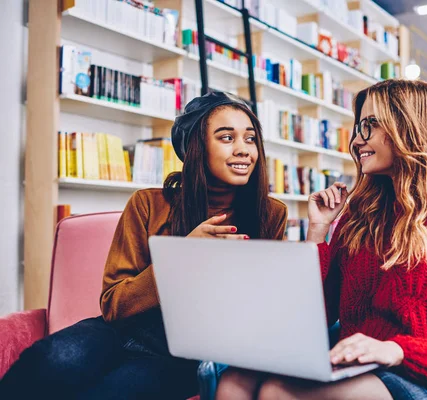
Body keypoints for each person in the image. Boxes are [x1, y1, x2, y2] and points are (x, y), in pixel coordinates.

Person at [216, 79, 427, 400]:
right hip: (358, 366)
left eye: (370, 125)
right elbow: (313, 317)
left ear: (408, 127)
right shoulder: (358, 215)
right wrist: (318, 232)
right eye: (358, 127)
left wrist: (395, 350)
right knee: (233, 383)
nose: (356, 140)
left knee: (279, 393)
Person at [0, 91, 288, 399]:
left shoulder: (270, 215)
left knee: (110, 393)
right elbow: (114, 305)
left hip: (180, 353)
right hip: (121, 330)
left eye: (250, 139)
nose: (244, 150)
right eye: (227, 138)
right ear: (196, 148)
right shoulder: (148, 204)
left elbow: (260, 312)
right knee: (52, 359)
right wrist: (181, 258)